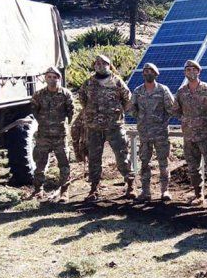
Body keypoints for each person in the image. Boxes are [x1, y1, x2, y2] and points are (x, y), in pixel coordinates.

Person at [78, 54, 134, 202]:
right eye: (97, 63)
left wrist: (117, 113)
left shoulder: (117, 82)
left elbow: (128, 100)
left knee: (122, 156)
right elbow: (82, 99)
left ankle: (130, 185)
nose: (100, 65)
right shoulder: (88, 83)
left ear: (109, 65)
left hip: (114, 126)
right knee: (94, 158)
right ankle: (94, 188)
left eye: (103, 63)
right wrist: (91, 114)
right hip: (94, 128)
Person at [173, 60, 207, 206]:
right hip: (189, 136)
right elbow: (176, 110)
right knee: (193, 168)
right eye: (187, 70)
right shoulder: (181, 92)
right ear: (184, 73)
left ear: (199, 72)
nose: (190, 72)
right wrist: (186, 120)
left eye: (194, 69)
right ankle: (199, 195)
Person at [129, 63, 176, 202]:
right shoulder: (138, 91)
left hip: (161, 133)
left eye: (151, 71)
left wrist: (162, 122)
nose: (147, 73)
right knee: (144, 163)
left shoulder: (163, 90)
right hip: (144, 133)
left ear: (156, 74)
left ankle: (165, 191)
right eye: (145, 71)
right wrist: (141, 118)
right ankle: (145, 192)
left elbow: (171, 109)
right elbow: (132, 109)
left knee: (163, 163)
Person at [30, 67, 75, 202]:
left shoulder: (66, 94)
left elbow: (71, 112)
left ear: (59, 78)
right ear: (45, 78)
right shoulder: (38, 95)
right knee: (40, 163)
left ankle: (64, 191)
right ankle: (38, 190)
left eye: (54, 77)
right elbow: (34, 111)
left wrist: (63, 126)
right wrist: (44, 123)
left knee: (64, 164)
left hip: (60, 136)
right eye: (49, 77)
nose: (51, 79)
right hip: (43, 135)